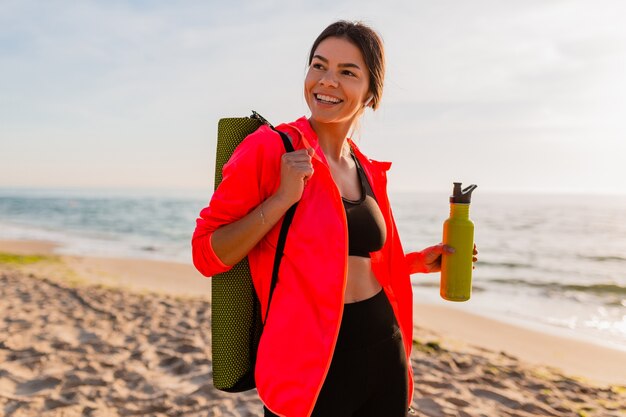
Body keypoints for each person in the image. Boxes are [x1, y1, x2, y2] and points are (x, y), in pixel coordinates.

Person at [192, 20, 478, 417]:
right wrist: (281, 200)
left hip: (384, 345)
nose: (327, 81)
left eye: (347, 72)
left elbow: (346, 258)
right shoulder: (270, 149)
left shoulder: (365, 166)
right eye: (319, 65)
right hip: (308, 366)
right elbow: (207, 253)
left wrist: (416, 262)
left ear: (371, 93)